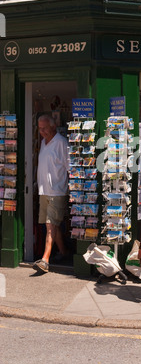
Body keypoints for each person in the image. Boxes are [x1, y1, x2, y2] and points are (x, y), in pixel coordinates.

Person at [33, 115, 69, 273]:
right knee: (53, 225)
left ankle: (45, 259)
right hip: (44, 191)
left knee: (50, 225)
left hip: (56, 191)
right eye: (39, 128)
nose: (42, 131)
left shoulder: (61, 143)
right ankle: (63, 252)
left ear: (53, 126)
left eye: (44, 128)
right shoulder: (43, 142)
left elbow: (69, 167)